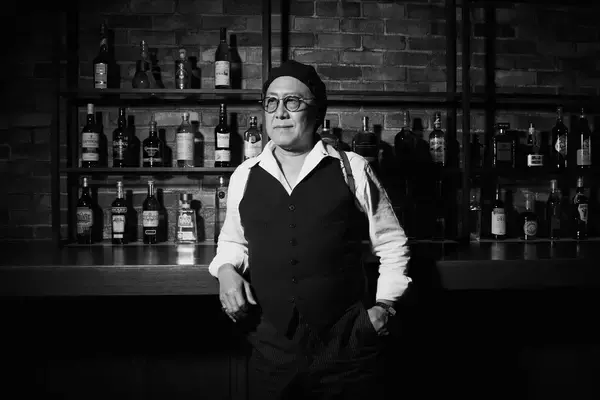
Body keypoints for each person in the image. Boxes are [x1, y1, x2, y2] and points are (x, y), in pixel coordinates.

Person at [208, 60, 411, 400]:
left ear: (317, 112)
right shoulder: (245, 174)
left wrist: (385, 306)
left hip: (346, 348)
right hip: (271, 349)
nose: (280, 113)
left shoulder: (352, 168)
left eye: (292, 101)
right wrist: (226, 270)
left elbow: (392, 243)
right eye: (271, 102)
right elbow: (232, 241)